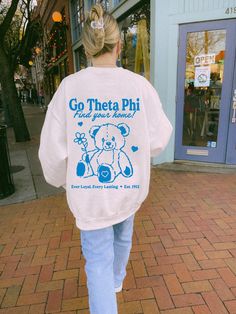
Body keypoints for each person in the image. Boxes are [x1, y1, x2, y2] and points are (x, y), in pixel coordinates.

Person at [38, 4, 172, 314]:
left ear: (86, 48)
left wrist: (62, 179)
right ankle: (115, 281)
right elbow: (160, 137)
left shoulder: (69, 88)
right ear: (119, 44)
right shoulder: (139, 87)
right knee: (123, 237)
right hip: (128, 190)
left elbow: (51, 151)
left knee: (96, 260)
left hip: (89, 196)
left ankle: (108, 287)